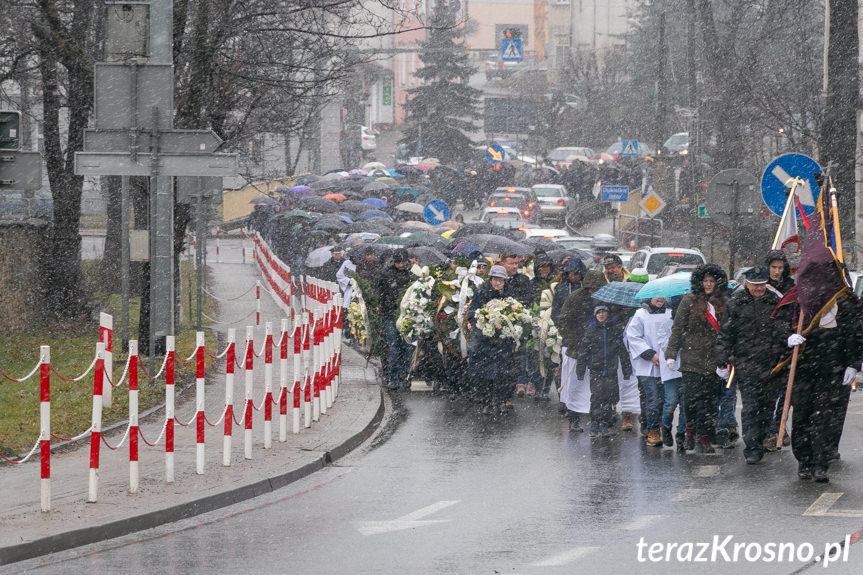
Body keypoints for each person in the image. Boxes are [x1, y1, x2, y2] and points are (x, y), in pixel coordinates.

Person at [780, 292, 863, 482]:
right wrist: (788, 338)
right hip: (803, 369)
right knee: (802, 417)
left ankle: (821, 464)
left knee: (826, 419)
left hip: (832, 369)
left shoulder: (842, 301)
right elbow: (777, 327)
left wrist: (853, 363)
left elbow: (854, 333)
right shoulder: (797, 300)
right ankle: (804, 461)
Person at [715, 266, 785, 462]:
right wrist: (721, 361)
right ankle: (752, 448)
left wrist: (787, 343)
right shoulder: (736, 303)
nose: (759, 289)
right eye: (755, 285)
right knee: (750, 407)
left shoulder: (775, 303)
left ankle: (761, 438)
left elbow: (782, 329)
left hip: (771, 365)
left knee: (767, 407)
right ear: (747, 284)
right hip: (746, 363)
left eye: (762, 285)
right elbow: (726, 334)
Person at [664, 263, 729, 453]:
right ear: (699, 282)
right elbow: (677, 329)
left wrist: (726, 357)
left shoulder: (723, 302)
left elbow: (727, 331)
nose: (708, 284)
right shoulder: (688, 301)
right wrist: (670, 354)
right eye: (705, 280)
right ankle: (690, 432)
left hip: (713, 358)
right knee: (691, 400)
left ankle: (706, 437)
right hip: (691, 357)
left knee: (710, 403)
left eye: (712, 281)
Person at [558, 269, 607, 431]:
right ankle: (573, 417)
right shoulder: (574, 299)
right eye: (591, 289)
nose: (594, 292)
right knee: (576, 384)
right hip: (577, 348)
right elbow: (564, 322)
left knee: (599, 386)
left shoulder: (607, 300)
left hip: (600, 350)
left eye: (597, 289)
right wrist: (575, 342)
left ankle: (600, 418)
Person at [624, 297, 675, 447]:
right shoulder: (640, 314)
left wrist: (667, 354)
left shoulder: (671, 313)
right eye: (656, 296)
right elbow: (633, 337)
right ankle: (653, 431)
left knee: (666, 400)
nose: (660, 299)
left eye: (662, 296)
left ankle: (661, 425)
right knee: (652, 398)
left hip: (667, 363)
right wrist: (650, 354)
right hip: (647, 365)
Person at [467, 265, 516, 415]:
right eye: (496, 279)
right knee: (485, 373)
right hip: (484, 339)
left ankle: (501, 401)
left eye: (501, 280)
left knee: (503, 373)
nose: (498, 283)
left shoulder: (508, 293)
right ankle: (486, 402)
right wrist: (484, 323)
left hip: (503, 340)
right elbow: (472, 314)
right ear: (490, 279)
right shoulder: (481, 292)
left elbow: (515, 311)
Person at [576, 305, 632, 437]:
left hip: (611, 369)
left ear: (608, 314)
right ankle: (595, 423)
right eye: (598, 313)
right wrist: (580, 370)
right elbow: (583, 352)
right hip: (596, 369)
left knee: (609, 398)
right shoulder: (591, 330)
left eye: (603, 312)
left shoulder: (614, 330)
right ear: (595, 315)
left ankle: (605, 424)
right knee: (596, 397)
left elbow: (622, 351)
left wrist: (626, 369)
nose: (601, 315)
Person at [762, 249, 795, 450]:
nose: (776, 271)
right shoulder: (761, 287)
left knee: (786, 392)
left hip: (788, 344)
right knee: (768, 393)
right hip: (767, 346)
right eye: (773, 267)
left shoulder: (791, 287)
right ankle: (768, 431)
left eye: (780, 267)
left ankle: (780, 423)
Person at [375, 248, 414, 390]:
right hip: (390, 314)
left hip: (407, 316)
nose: (401, 265)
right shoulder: (386, 273)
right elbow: (379, 291)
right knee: (393, 347)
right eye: (398, 263)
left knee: (407, 347)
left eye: (403, 262)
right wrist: (381, 304)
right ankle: (394, 377)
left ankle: (405, 375)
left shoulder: (411, 273)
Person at [551, 257, 586, 326]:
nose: (573, 277)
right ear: (567, 273)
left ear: (581, 273)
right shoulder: (561, 289)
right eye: (571, 274)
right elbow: (556, 310)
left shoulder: (586, 287)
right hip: (566, 324)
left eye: (576, 274)